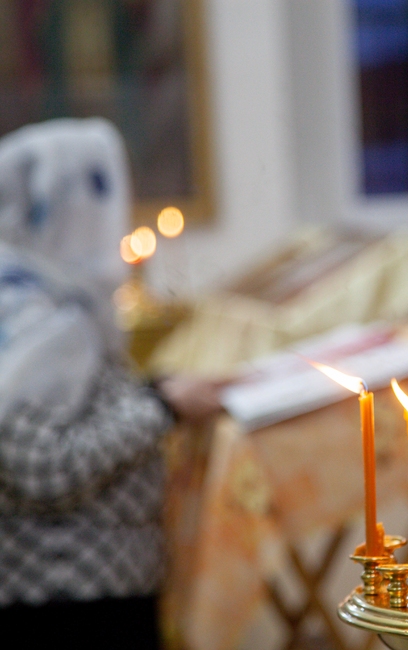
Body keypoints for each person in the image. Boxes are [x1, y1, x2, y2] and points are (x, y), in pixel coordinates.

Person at [0, 118, 221, 648]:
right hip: (70, 595)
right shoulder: (39, 318)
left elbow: (77, 406)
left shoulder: (48, 298)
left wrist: (154, 390)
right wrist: (161, 408)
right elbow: (39, 467)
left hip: (93, 583)